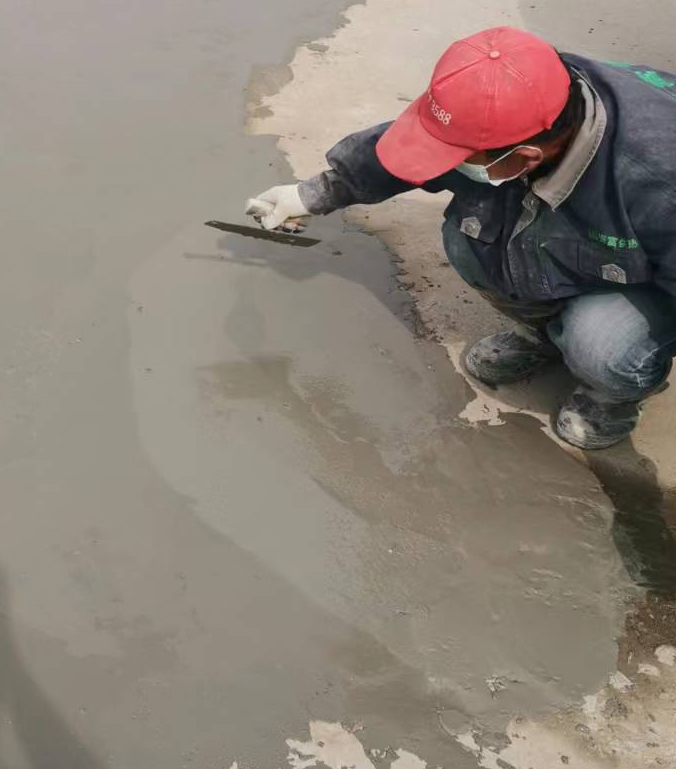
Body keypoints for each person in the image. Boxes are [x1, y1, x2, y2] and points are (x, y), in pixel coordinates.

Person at [244, 27, 676, 451]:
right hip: (574, 238)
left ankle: (612, 395)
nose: (443, 162)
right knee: (467, 239)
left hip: (646, 272)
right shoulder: (513, 92)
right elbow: (407, 148)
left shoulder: (658, 181)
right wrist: (314, 193)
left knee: (602, 345)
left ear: (525, 157)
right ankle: (544, 334)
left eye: (456, 154)